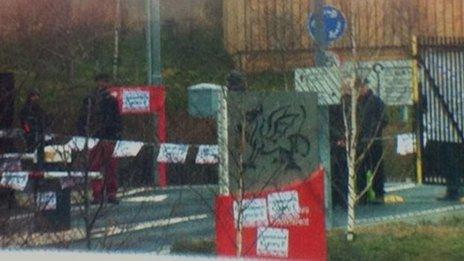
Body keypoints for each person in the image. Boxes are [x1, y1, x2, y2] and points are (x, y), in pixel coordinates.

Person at [77, 73, 122, 204]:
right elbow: (83, 118)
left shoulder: (111, 100)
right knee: (94, 166)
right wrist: (83, 134)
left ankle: (111, 193)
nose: (102, 84)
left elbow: (117, 119)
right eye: (100, 81)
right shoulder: (89, 99)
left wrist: (117, 135)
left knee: (110, 166)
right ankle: (97, 194)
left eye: (104, 81)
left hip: (108, 137)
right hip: (94, 137)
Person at [356, 78, 388, 204]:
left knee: (376, 168)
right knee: (360, 170)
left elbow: (384, 119)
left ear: (366, 87)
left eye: (361, 87)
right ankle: (362, 195)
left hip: (374, 141)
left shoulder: (375, 101)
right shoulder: (357, 103)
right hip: (360, 141)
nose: (360, 90)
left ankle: (379, 194)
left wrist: (375, 131)